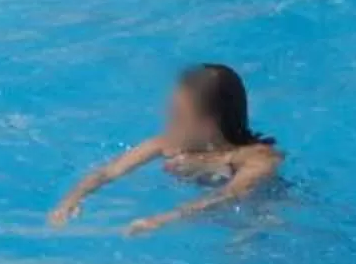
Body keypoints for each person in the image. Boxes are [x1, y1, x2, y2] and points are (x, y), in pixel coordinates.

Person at [48, 63, 283, 236]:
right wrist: (71, 200)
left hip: (264, 212)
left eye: (177, 116)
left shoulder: (257, 158)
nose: (167, 120)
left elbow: (231, 195)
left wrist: (164, 219)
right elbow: (108, 171)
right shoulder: (168, 144)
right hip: (210, 211)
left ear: (207, 126)